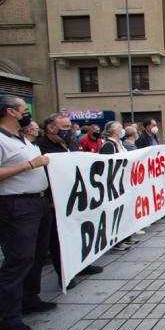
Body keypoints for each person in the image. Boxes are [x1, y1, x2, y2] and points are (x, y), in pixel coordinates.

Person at [0, 95, 56, 330]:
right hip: (15, 205)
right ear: (11, 112)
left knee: (37, 256)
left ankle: (30, 298)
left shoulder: (22, 138)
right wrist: (29, 165)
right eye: (24, 109)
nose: (28, 113)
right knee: (18, 260)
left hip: (38, 202)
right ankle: (8, 317)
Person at [37, 113, 104, 288]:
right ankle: (64, 273)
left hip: (78, 197)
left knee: (79, 232)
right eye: (66, 127)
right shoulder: (40, 147)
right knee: (58, 239)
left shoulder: (72, 143)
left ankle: (82, 264)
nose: (70, 130)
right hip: (56, 201)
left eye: (70, 127)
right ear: (51, 128)